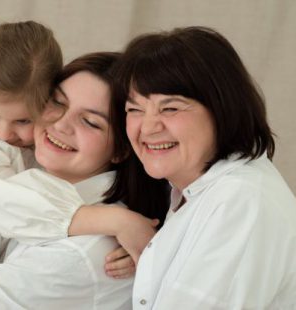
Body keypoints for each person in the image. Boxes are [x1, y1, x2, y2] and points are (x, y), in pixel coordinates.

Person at [0, 52, 168, 309]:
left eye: (90, 122)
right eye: (57, 102)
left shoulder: (86, 252)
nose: (61, 125)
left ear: (122, 149)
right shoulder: (17, 171)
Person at [80, 26, 296, 309]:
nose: (148, 127)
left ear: (221, 109)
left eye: (170, 108)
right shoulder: (191, 190)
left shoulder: (240, 201)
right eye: (135, 110)